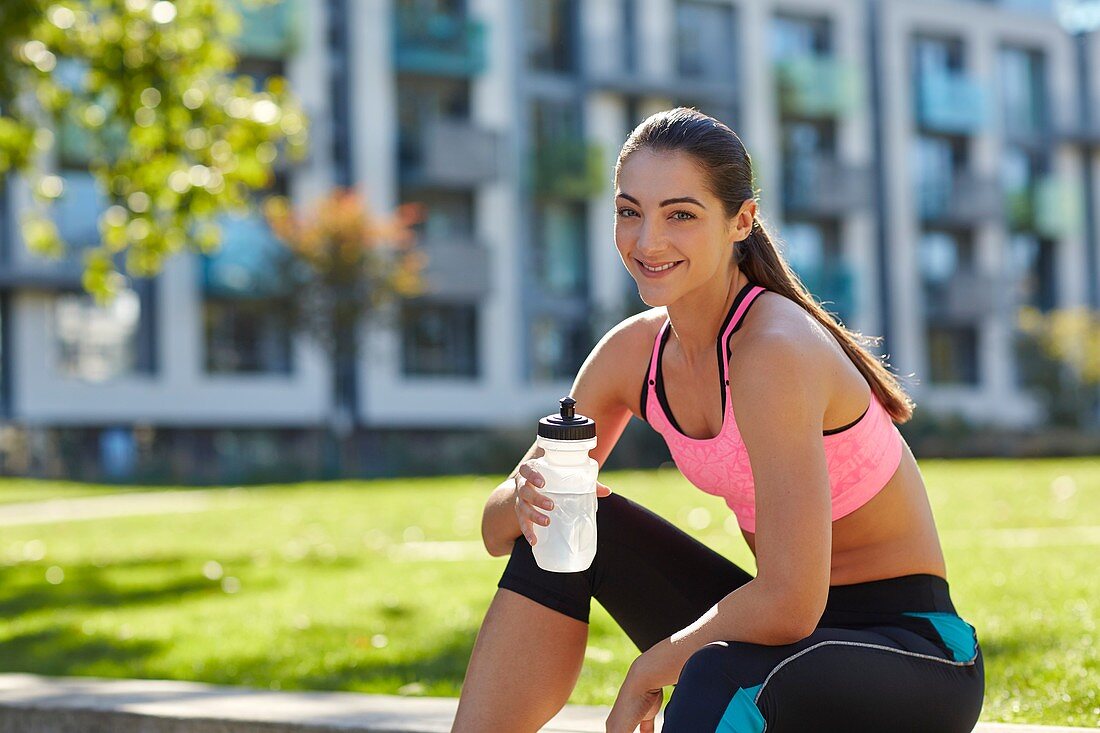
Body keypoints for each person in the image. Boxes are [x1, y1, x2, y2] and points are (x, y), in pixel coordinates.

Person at [451, 107, 984, 733]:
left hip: (907, 651)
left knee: (716, 676)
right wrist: (529, 501)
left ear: (741, 221)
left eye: (680, 214)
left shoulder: (773, 350)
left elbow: (789, 602)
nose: (648, 241)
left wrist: (653, 666)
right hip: (786, 635)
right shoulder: (633, 353)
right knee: (568, 524)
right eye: (630, 211)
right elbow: (497, 530)